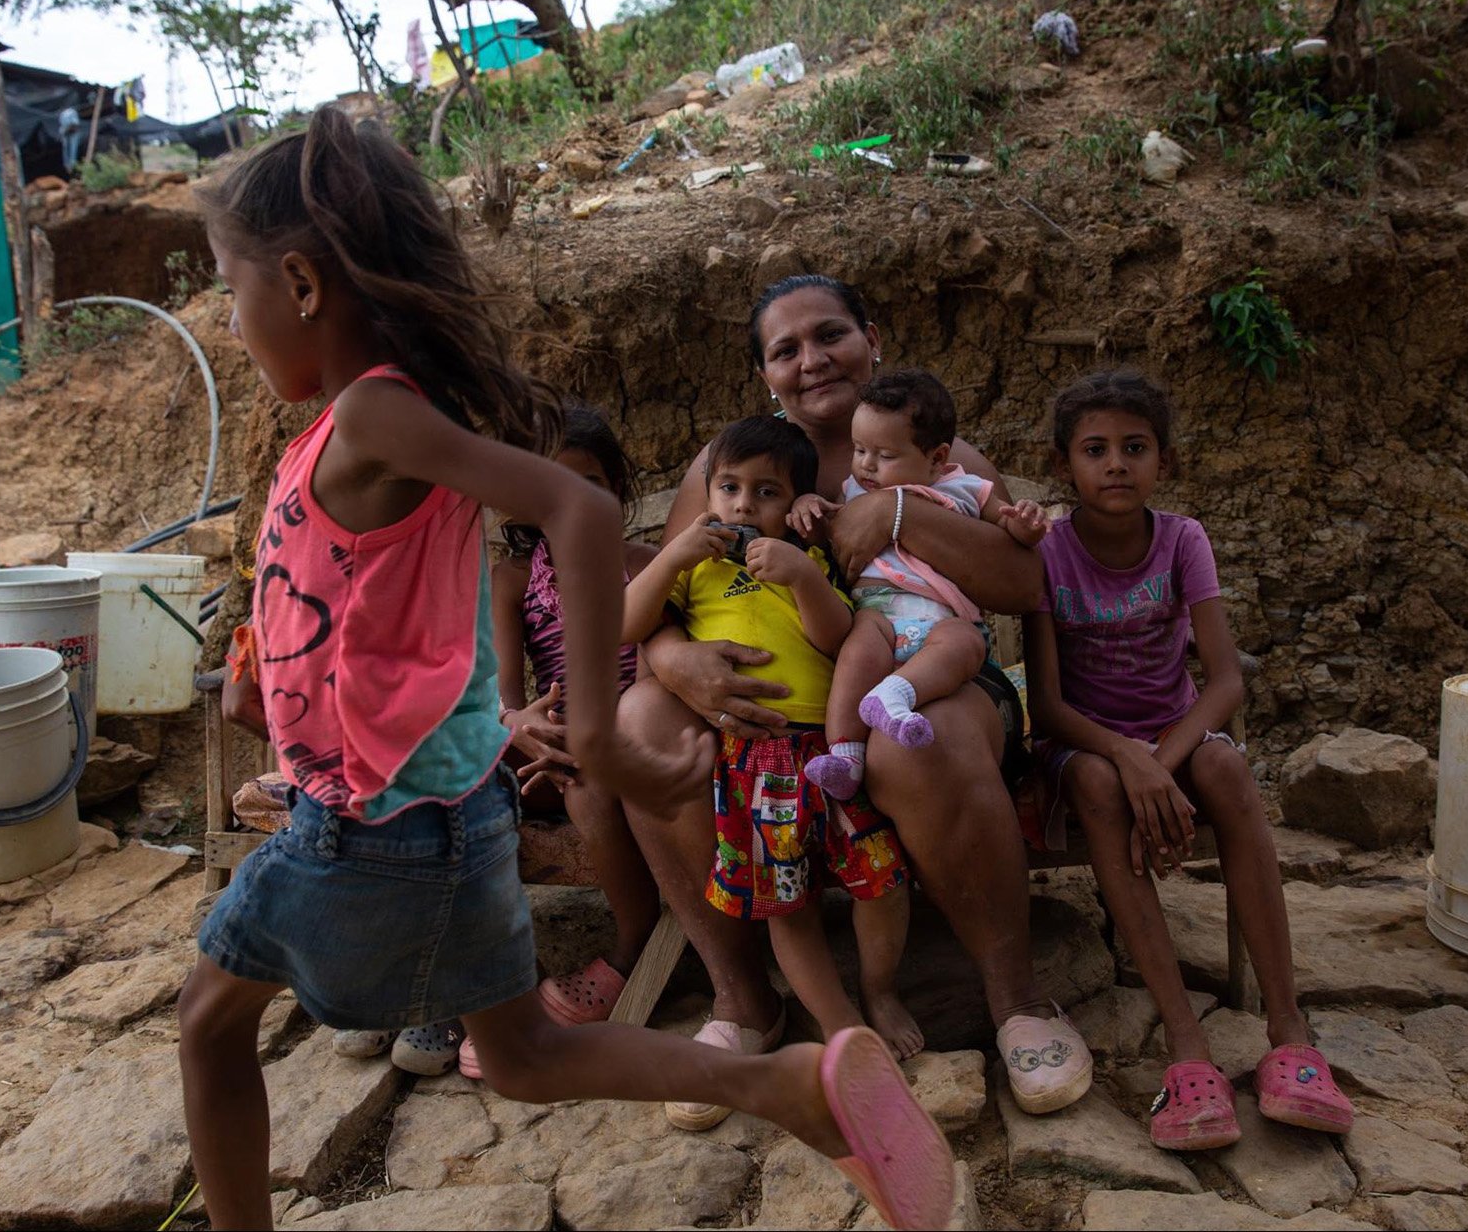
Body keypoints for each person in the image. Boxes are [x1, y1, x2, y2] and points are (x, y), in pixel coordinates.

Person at [181, 110, 958, 1231]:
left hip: (376, 825)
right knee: (531, 1052)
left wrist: (595, 731)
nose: (232, 318)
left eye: (229, 287)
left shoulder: (374, 408)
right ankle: (785, 1084)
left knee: (209, 1019)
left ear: (299, 281)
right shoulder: (361, 420)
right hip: (444, 806)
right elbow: (375, 615)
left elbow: (580, 507)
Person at [618, 274, 1094, 1126]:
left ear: (872, 338)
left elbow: (1027, 584)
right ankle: (742, 1003)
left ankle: (1017, 999)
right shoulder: (732, 462)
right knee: (642, 719)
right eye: (785, 349)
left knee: (921, 742)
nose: (812, 360)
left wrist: (900, 514)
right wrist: (676, 660)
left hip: (934, 673)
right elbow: (667, 589)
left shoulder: (935, 447)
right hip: (778, 705)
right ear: (765, 373)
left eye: (830, 335)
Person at [1022, 370, 1355, 1150]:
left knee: (1229, 770)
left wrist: (1162, 764)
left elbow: (1227, 679)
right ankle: (1187, 1048)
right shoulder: (1048, 554)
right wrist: (1132, 764)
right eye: (1095, 450)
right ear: (1065, 464)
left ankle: (1288, 1029)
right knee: (1104, 783)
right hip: (1088, 746)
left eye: (1134, 448)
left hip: (1174, 736)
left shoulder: (1182, 540)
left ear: (1162, 462)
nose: (1115, 465)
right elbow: (1048, 705)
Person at [334, 403, 662, 1078]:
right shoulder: (512, 579)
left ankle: (634, 950)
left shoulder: (646, 563)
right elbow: (501, 697)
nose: (571, 498)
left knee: (592, 787)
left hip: (627, 735)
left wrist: (602, 733)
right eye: (551, 482)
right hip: (546, 733)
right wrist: (523, 726)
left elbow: (662, 668)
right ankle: (438, 981)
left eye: (590, 481)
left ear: (619, 488)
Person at [621, 416, 920, 1084]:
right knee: (786, 905)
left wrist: (804, 578)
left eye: (766, 493)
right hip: (754, 765)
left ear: (797, 507)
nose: (743, 506)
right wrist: (671, 556)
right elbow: (627, 623)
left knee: (881, 879)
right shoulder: (694, 574)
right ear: (708, 497)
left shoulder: (805, 563)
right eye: (728, 489)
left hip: (827, 755)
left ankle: (882, 987)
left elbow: (837, 639)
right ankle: (839, 1022)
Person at [786, 368, 1052, 798]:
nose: (866, 465)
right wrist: (807, 506)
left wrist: (1026, 525)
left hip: (942, 620)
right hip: (879, 614)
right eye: (859, 450)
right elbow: (829, 530)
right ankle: (846, 752)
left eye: (884, 455)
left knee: (966, 644)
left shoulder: (967, 488)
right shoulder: (855, 490)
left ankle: (895, 695)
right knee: (857, 654)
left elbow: (1010, 534)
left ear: (935, 457)